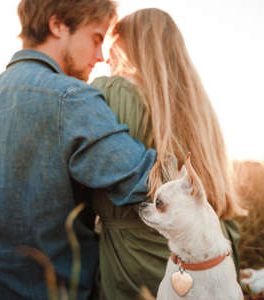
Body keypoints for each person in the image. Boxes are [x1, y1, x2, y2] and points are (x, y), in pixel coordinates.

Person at [0, 1, 157, 299]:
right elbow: (145, 182)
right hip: (53, 291)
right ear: (58, 25)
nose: (100, 57)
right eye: (96, 39)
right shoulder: (72, 98)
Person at [91, 8, 247, 299]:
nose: (105, 54)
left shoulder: (112, 91)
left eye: (113, 41)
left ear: (129, 46)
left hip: (138, 264)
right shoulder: (199, 109)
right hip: (217, 262)